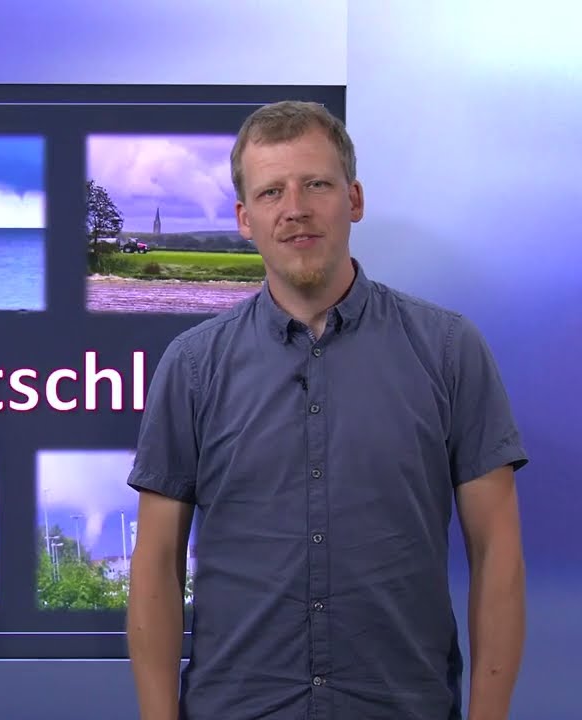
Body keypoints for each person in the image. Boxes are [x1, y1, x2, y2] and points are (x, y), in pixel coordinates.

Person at [124, 100, 528, 720]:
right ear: (245, 218)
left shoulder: (449, 351)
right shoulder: (193, 366)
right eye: (271, 192)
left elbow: (497, 551)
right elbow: (155, 566)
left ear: (354, 199)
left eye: (316, 184)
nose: (295, 208)